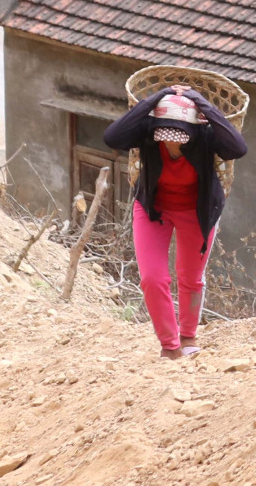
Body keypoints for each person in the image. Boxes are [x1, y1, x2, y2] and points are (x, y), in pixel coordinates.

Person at [103, 84, 247, 359]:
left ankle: (188, 335)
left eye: (179, 135)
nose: (171, 141)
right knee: (152, 278)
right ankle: (170, 347)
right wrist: (154, 100)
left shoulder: (205, 136)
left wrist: (202, 104)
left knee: (190, 278)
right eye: (165, 134)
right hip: (152, 209)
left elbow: (238, 148)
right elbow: (112, 137)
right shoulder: (147, 132)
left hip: (196, 211)